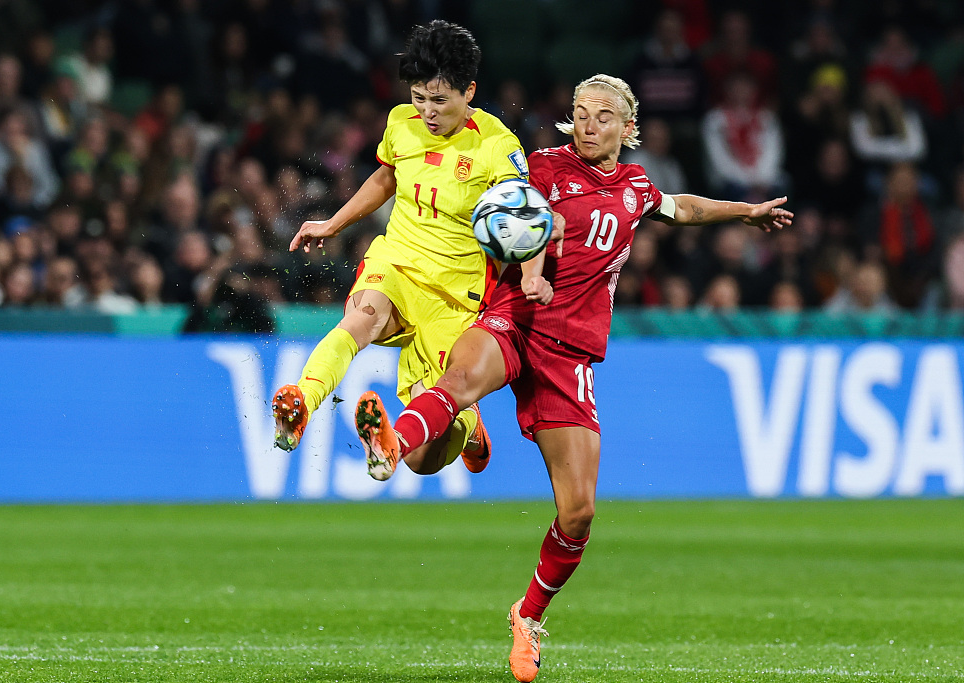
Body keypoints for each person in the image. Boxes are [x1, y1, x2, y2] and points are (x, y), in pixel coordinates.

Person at [352, 74, 792, 682]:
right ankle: (392, 444)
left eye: (603, 116)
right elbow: (525, 216)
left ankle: (528, 616)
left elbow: (682, 207)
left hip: (569, 353)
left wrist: (744, 211)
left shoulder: (636, 188)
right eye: (581, 113)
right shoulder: (540, 166)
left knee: (579, 512)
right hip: (514, 316)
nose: (589, 125)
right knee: (456, 383)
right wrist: (530, 271)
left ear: (628, 127)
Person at [272, 20, 531, 475]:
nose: (427, 111)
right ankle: (302, 403)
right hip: (398, 261)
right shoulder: (400, 123)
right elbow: (386, 177)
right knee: (361, 319)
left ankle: (470, 429)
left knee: (420, 460)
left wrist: (530, 271)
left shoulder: (497, 145)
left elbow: (523, 216)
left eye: (439, 100)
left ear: (469, 91)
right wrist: (333, 223)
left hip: (454, 297)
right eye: (418, 97)